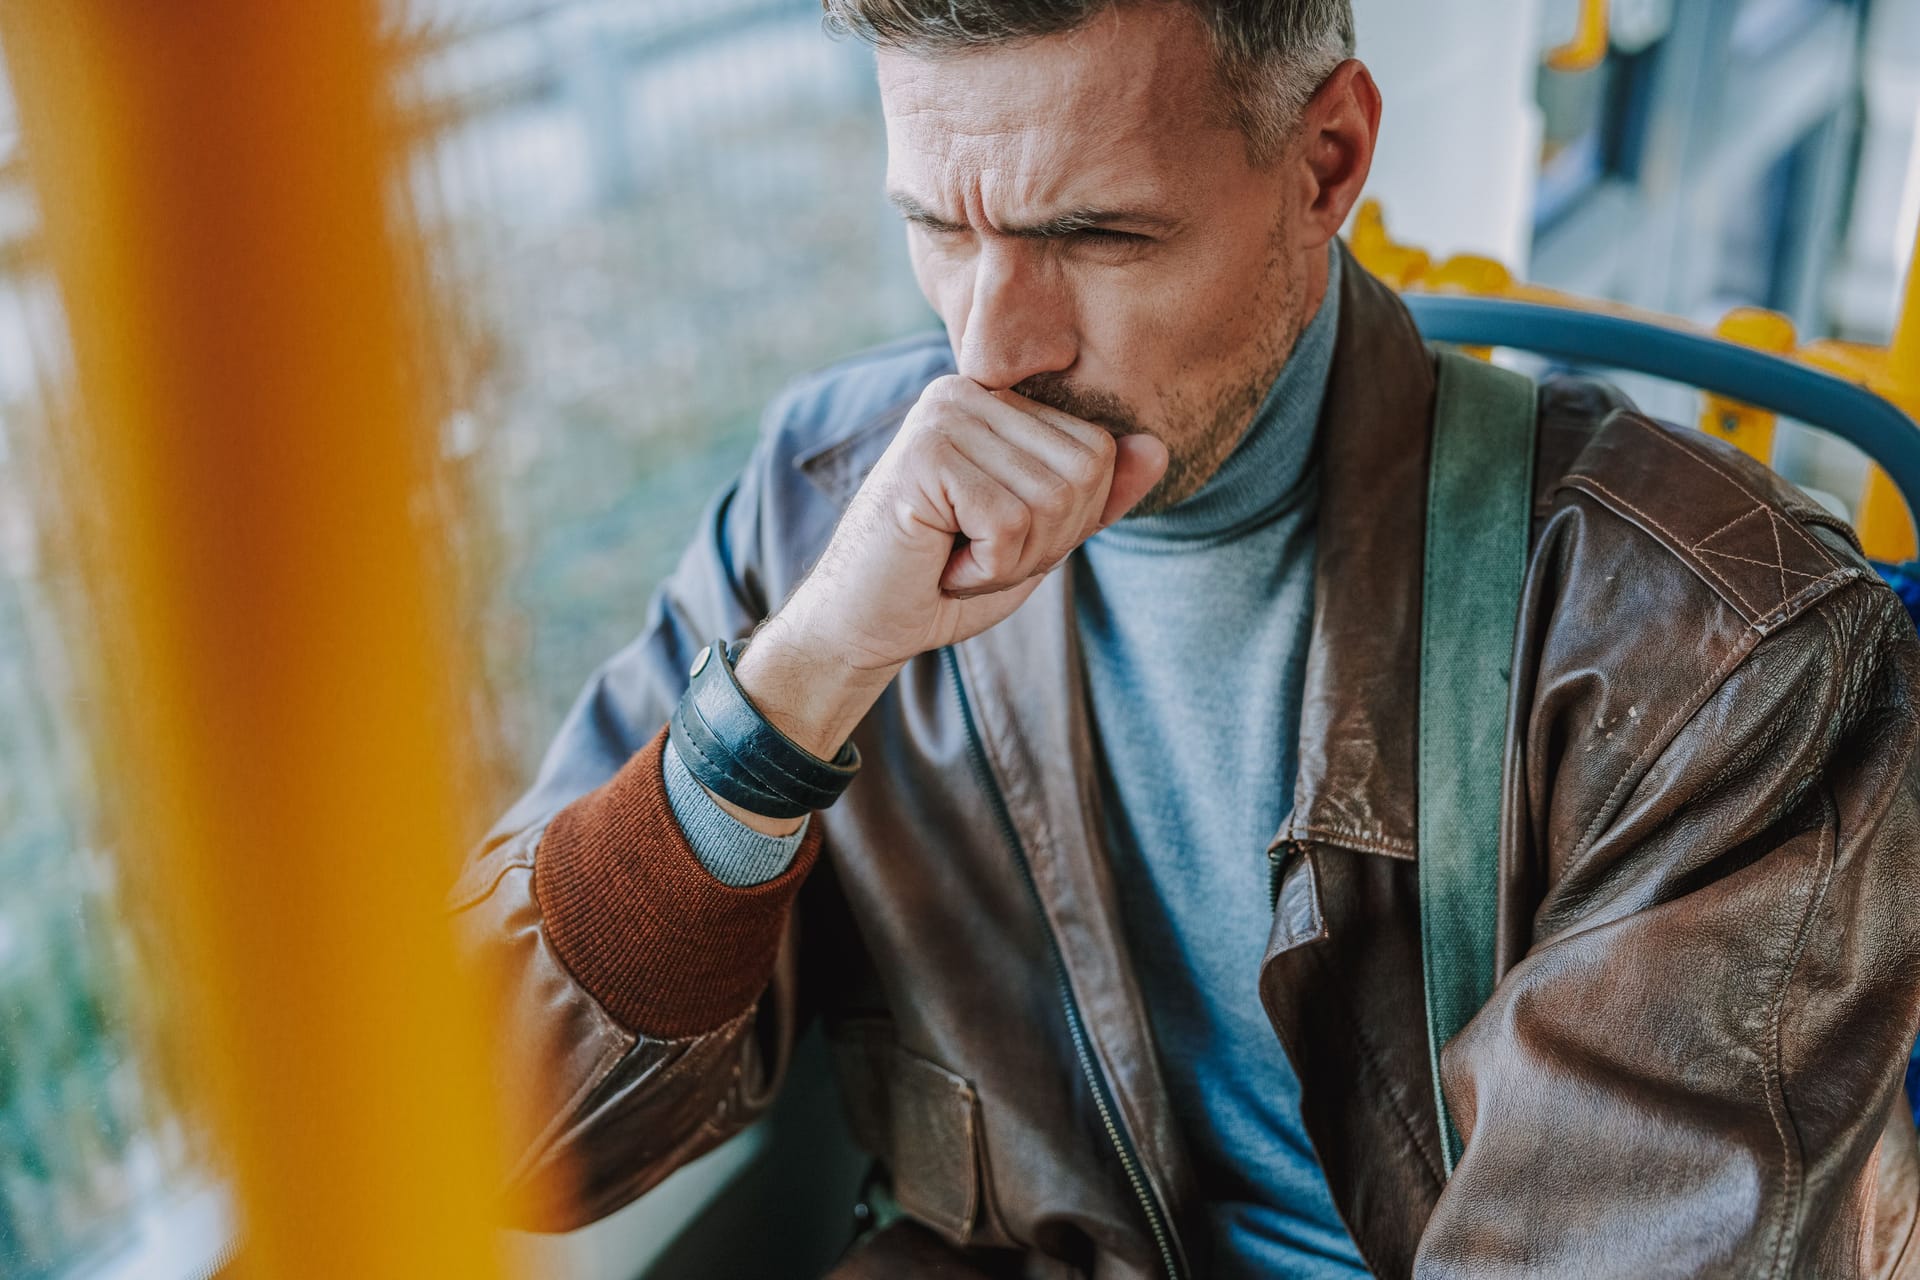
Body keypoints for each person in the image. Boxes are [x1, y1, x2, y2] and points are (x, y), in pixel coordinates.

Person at [449, 2, 1920, 1275]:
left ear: (1327, 161)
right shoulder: (818, 514)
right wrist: (801, 683)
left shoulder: (1724, 659)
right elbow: (487, 1139)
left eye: (1092, 235)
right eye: (936, 228)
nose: (990, 350)